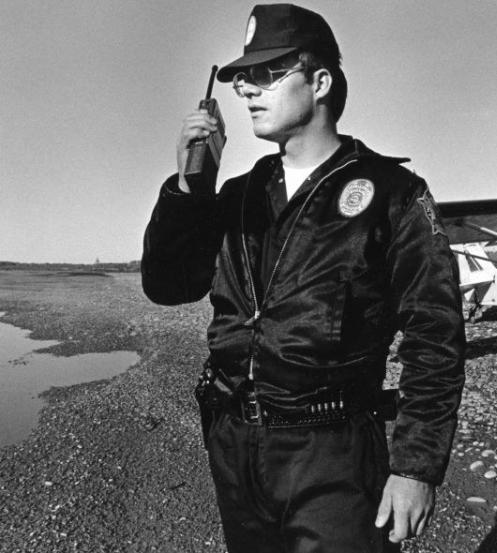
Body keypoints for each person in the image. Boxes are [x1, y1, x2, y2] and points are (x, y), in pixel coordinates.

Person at [141, 4, 465, 552]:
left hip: (332, 448)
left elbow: (435, 336)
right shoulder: (239, 196)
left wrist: (416, 467)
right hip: (233, 439)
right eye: (242, 77)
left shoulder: (392, 192)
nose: (246, 88)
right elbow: (169, 286)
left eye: (267, 73)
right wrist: (190, 189)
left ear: (320, 82)